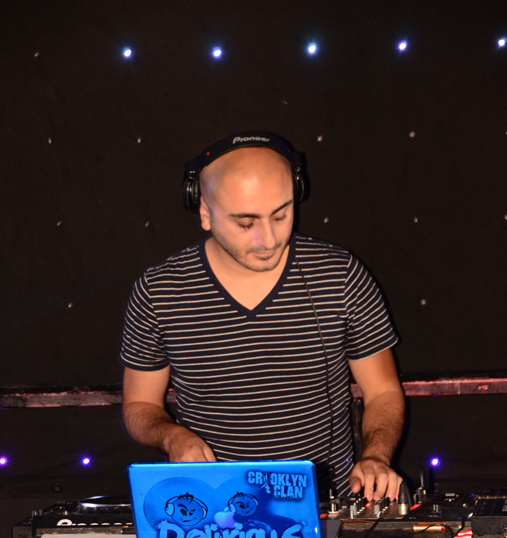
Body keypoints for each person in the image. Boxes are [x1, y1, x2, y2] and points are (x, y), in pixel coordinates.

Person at [120, 132, 405, 502]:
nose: (268, 240)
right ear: (204, 211)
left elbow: (382, 391)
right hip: (214, 509)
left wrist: (375, 457)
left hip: (324, 504)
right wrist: (172, 436)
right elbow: (140, 406)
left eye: (281, 215)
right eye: (246, 223)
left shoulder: (341, 275)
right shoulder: (159, 291)